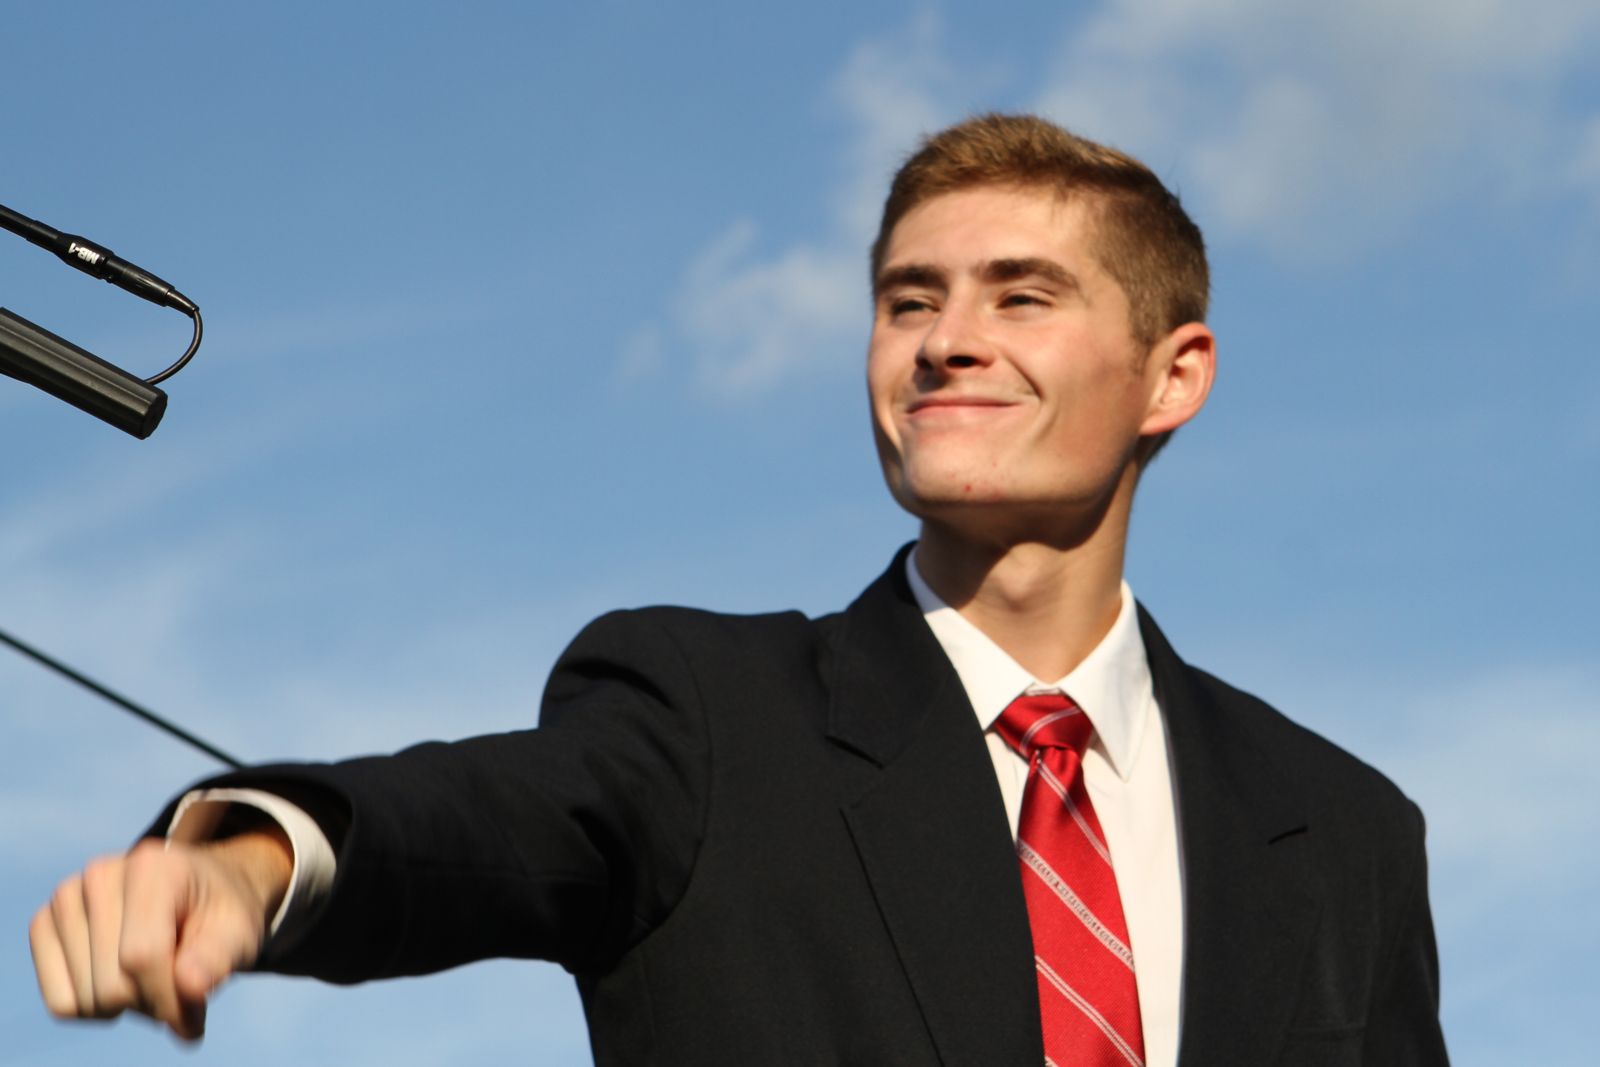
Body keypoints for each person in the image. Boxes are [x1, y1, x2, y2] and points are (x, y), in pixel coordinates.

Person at [28, 114, 1449, 1065]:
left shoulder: (1348, 836)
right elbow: (468, 820)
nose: (949, 340)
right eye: (910, 299)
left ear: (1173, 374)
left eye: (1022, 296)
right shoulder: (705, 717)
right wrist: (242, 863)